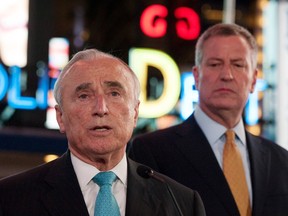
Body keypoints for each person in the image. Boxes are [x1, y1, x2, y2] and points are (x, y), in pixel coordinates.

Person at [0, 49, 206, 216]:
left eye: (114, 93)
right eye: (84, 96)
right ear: (60, 117)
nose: (101, 108)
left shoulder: (181, 203)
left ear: (135, 113)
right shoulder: (10, 198)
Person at [129, 23, 288, 216]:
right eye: (215, 64)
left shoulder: (281, 160)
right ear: (196, 76)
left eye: (238, 65)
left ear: (254, 80)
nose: (226, 75)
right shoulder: (152, 151)